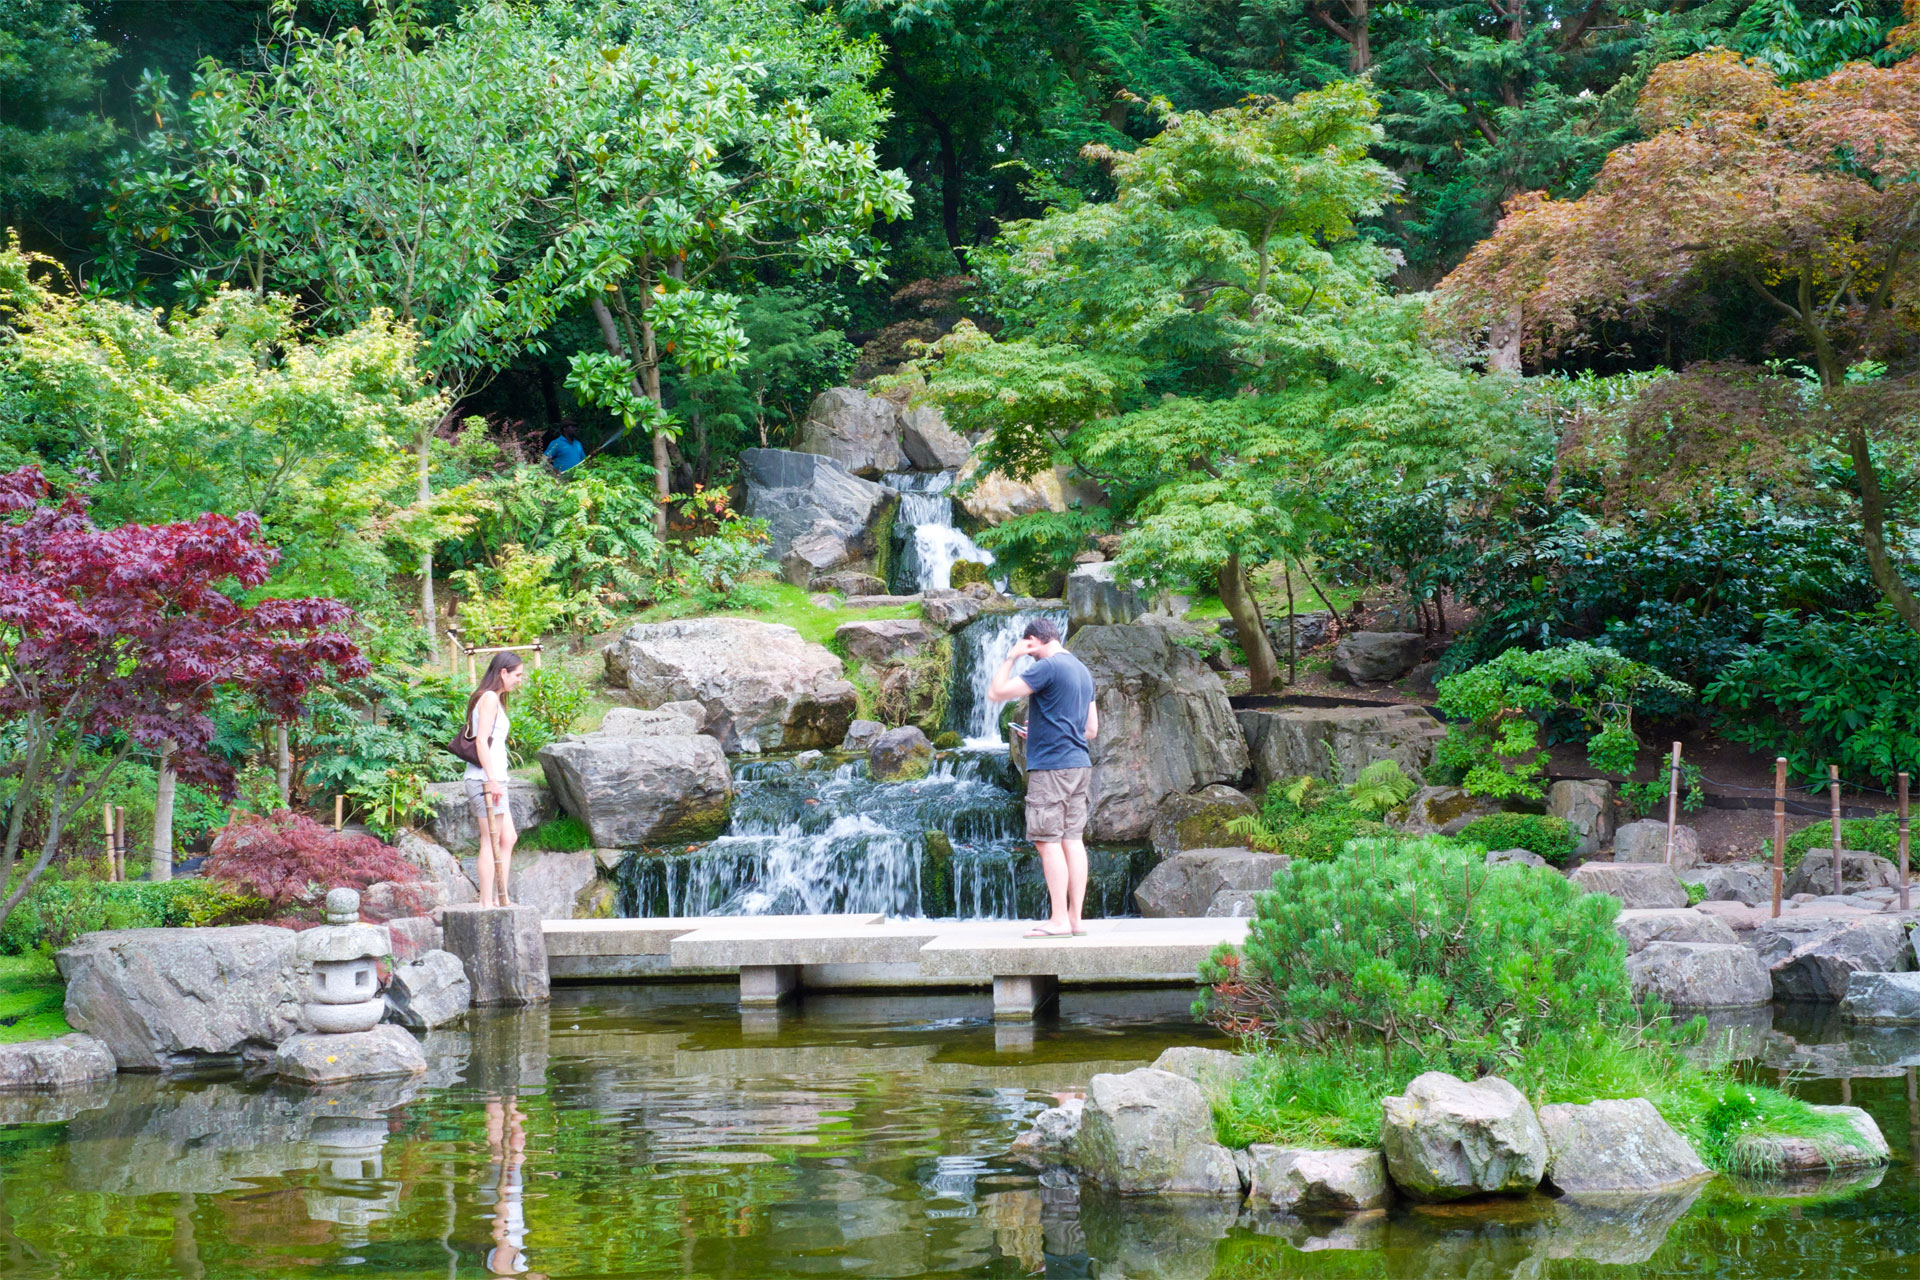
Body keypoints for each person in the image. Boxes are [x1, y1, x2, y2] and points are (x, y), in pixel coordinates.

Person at [987, 617, 1098, 938]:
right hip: (1079, 764)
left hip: (1052, 767)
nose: (1030, 654)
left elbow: (998, 692)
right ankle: (1076, 921)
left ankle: (1058, 920)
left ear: (1035, 640)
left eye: (1030, 648)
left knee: (1047, 841)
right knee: (1072, 841)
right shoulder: (1082, 670)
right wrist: (1040, 731)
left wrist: (1011, 656)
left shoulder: (1047, 666)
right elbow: (1090, 730)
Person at [465, 652, 527, 908]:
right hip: (485, 780)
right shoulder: (489, 698)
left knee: (508, 837)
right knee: (490, 839)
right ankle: (487, 901)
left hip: (494, 779)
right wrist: (492, 781)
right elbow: (480, 742)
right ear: (503, 672)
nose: (519, 681)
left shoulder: (493, 699)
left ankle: (501, 896)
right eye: (517, 675)